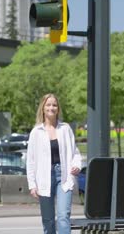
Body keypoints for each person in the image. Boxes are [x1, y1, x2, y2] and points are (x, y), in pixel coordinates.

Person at [27, 93, 82, 234]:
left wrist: (76, 165)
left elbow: (75, 152)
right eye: (48, 104)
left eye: (54, 105)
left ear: (58, 108)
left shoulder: (65, 129)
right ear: (43, 108)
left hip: (63, 176)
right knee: (48, 219)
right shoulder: (36, 132)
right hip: (43, 178)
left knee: (63, 216)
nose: (51, 107)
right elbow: (31, 160)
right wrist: (32, 184)